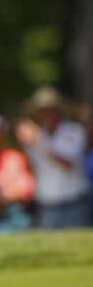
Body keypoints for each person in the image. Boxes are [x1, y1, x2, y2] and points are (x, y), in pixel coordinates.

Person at [15, 86, 92, 229]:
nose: (46, 114)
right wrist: (23, 145)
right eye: (42, 111)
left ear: (59, 111)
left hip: (74, 205)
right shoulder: (36, 137)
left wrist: (38, 142)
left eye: (50, 110)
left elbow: (67, 164)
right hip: (47, 207)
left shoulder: (74, 132)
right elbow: (31, 170)